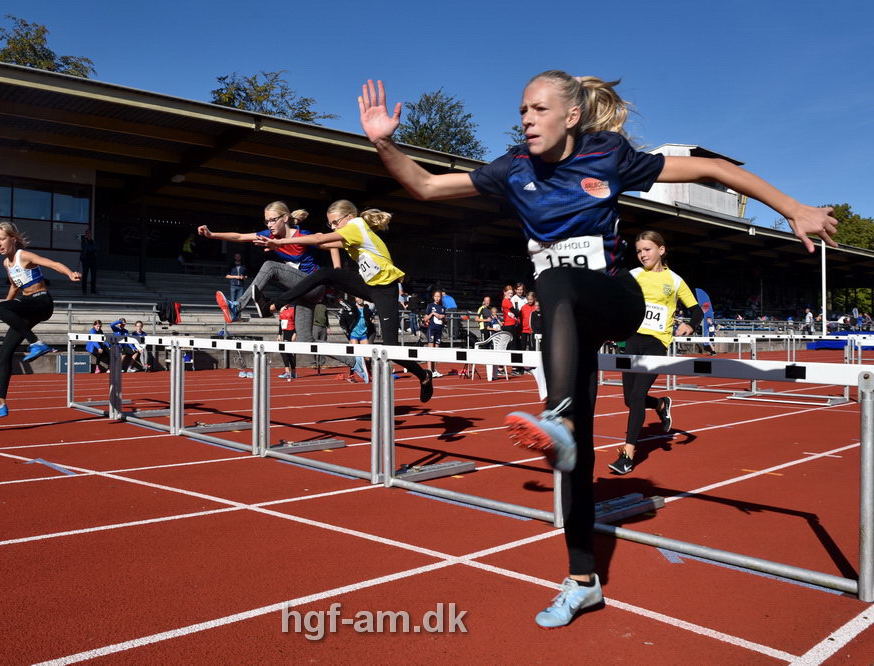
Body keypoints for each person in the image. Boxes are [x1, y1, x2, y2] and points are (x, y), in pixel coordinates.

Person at [358, 74, 837, 627]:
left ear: (572, 116)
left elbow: (714, 169)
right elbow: (426, 187)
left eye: (539, 109)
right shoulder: (513, 168)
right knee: (574, 460)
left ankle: (555, 415)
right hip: (568, 329)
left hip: (615, 299)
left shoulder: (608, 154)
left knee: (555, 282)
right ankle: (582, 579)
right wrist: (383, 143)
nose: (526, 119)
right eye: (522, 110)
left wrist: (791, 206)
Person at [251, 200, 433, 401]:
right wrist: (284, 240)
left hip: (385, 291)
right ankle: (272, 305)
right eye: (332, 225)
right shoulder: (351, 233)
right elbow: (321, 242)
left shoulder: (356, 226)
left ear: (348, 217)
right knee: (325, 274)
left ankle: (424, 376)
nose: (335, 227)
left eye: (336, 223)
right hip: (367, 285)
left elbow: (321, 238)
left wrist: (279, 242)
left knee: (393, 351)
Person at [201, 202, 363, 380]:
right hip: (301, 293)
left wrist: (337, 270)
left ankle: (237, 308)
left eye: (272, 220)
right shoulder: (269, 235)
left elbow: (331, 244)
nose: (269, 225)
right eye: (266, 221)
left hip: (315, 286)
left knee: (271, 266)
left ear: (285, 218)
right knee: (305, 341)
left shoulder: (302, 235)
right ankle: (355, 362)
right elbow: (239, 237)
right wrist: (212, 235)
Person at [608, 231, 701, 475]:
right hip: (631, 340)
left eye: (647, 249)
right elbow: (615, 300)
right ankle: (661, 404)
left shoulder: (675, 280)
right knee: (629, 399)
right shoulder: (634, 275)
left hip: (656, 343)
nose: (642, 255)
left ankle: (627, 455)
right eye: (639, 251)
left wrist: (690, 324)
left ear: (661, 250)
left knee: (637, 397)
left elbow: (696, 310)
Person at [0, 221, 81, 422]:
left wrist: (70, 273)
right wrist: (6, 302)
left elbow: (52, 263)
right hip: (25, 304)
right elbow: (15, 287)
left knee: (0, 307)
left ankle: (36, 343)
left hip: (42, 301)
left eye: (2, 239)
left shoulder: (23, 255)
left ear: (13, 239)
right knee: (4, 353)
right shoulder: (6, 263)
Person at [424, 290, 446, 378]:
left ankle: (434, 370)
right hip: (431, 329)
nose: (437, 298)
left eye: (439, 296)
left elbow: (445, 321)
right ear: (433, 297)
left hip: (439, 330)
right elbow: (425, 319)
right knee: (431, 350)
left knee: (436, 351)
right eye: (436, 296)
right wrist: (433, 314)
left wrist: (443, 317)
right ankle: (429, 370)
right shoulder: (430, 306)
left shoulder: (443, 307)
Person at [277, 304, 297, 379]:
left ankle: (289, 371)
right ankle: (292, 372)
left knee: (286, 352)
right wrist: (279, 334)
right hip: (285, 332)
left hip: (291, 332)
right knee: (286, 352)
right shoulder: (282, 310)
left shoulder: (293, 310)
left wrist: (295, 333)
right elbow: (280, 323)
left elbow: (296, 322)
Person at [80, 229, 99, 295]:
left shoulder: (93, 241)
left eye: (89, 233)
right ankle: (84, 290)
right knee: (85, 275)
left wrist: (91, 248)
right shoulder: (83, 241)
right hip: (86, 260)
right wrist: (92, 248)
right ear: (85, 234)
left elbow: (96, 247)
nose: (88, 234)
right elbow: (88, 248)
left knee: (94, 276)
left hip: (93, 261)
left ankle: (93, 290)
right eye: (86, 233)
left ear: (91, 234)